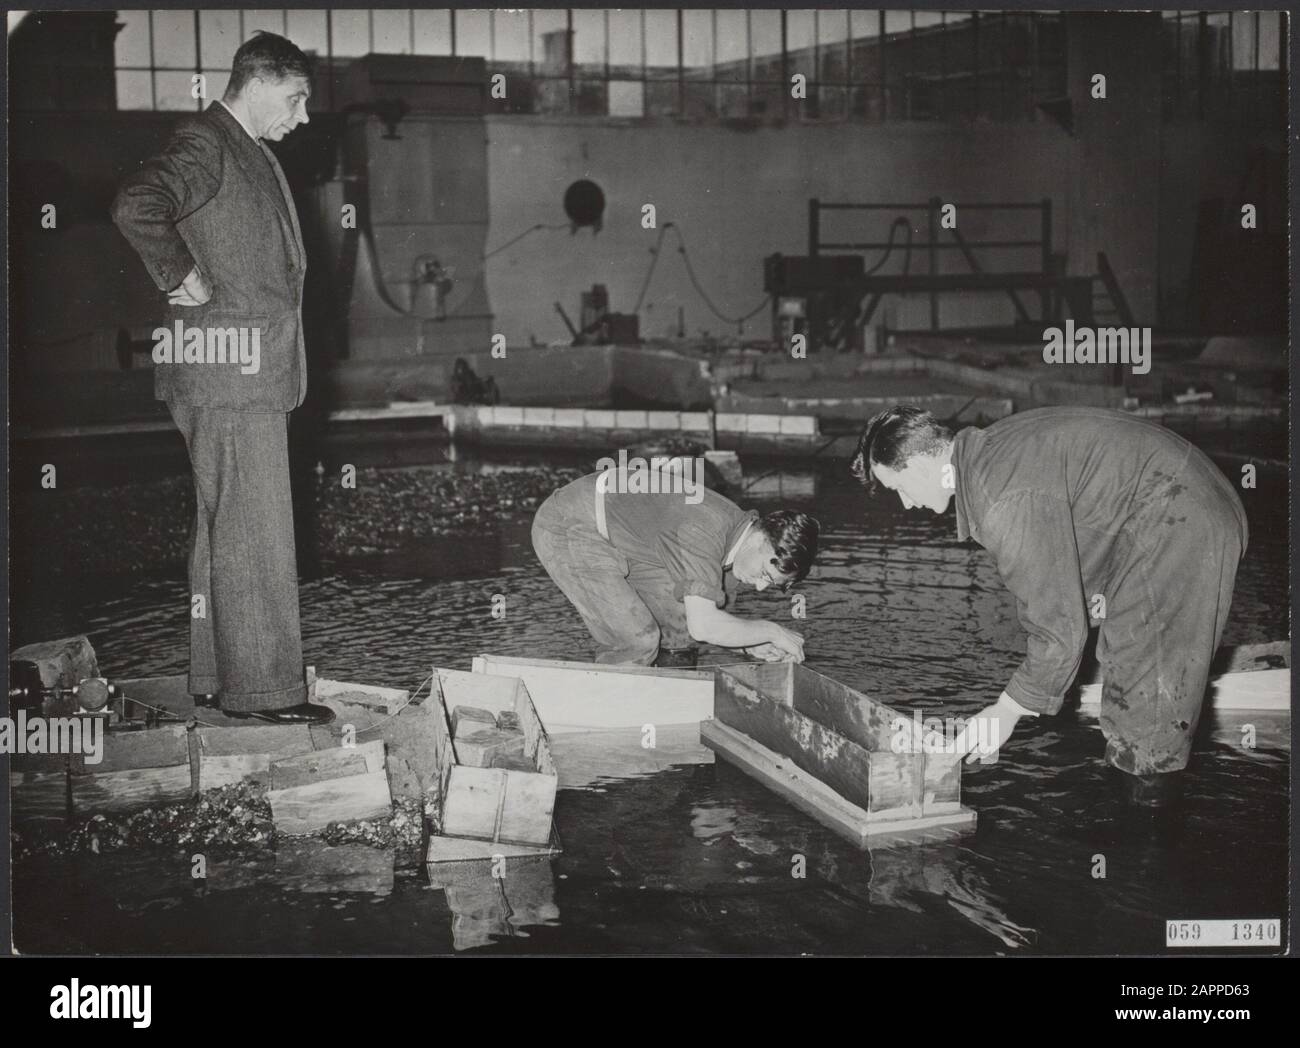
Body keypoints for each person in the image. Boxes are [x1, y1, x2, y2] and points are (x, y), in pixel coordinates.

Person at [852, 405, 1247, 806]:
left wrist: (1004, 711)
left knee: (1150, 708)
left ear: (921, 464)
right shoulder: (989, 453)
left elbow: (1059, 634)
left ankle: (1147, 845)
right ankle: (1132, 816)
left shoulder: (1000, 497)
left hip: (1180, 520)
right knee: (1126, 670)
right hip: (1169, 506)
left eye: (898, 487)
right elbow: (1081, 513)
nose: (904, 503)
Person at [111, 32, 330, 724]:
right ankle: (263, 694)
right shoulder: (211, 141)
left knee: (223, 526)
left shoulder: (248, 150)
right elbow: (136, 204)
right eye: (296, 99)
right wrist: (181, 273)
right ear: (260, 82)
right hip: (232, 369)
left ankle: (213, 675)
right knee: (256, 530)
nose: (301, 117)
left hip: (233, 370)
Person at [531, 462, 818, 666]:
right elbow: (705, 626)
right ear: (759, 539)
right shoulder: (705, 531)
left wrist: (749, 643)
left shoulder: (738, 551)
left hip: (624, 535)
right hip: (570, 523)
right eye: (765, 575)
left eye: (770, 584)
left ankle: (665, 703)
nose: (758, 587)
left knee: (679, 631)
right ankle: (608, 721)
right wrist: (772, 631)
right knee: (637, 640)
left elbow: (703, 625)